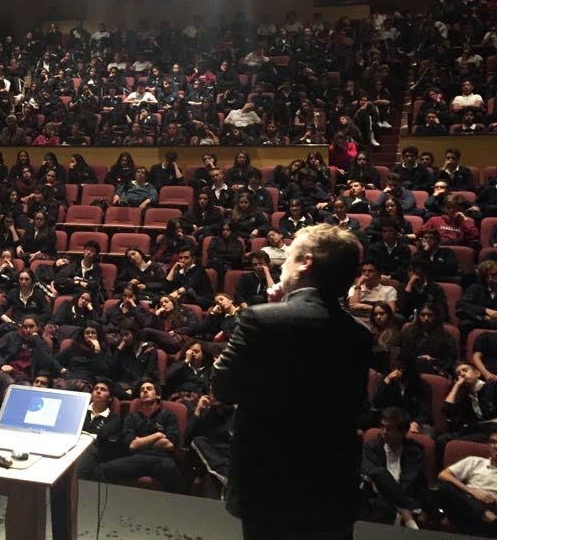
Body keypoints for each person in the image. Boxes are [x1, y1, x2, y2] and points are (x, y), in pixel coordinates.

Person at [213, 224, 370, 540]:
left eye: (289, 255)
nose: (281, 262)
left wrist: (278, 308)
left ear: (306, 263)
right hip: (331, 484)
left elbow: (224, 387)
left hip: (269, 482)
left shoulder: (262, 319)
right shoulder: (359, 334)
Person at [98, 379, 183, 492]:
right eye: (142, 390)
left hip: (162, 459)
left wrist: (140, 441)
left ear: (157, 396)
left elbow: (170, 445)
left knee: (173, 472)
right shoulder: (132, 417)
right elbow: (132, 445)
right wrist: (158, 435)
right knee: (102, 469)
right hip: (137, 459)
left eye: (149, 389)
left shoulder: (168, 415)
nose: (145, 391)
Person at [361, 407, 427, 529]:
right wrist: (405, 507)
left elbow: (407, 483)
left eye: (390, 429)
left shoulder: (414, 451)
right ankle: (405, 514)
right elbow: (374, 476)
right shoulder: (370, 448)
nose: (384, 432)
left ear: (403, 431)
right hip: (378, 499)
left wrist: (399, 502)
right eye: (382, 427)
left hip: (405, 494)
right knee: (380, 474)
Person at [437, 431, 497, 537]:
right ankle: (484, 514)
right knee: (445, 486)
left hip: (493, 505)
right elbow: (443, 475)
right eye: (493, 442)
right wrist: (473, 492)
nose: (496, 446)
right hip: (468, 500)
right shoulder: (475, 461)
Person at [76, 379, 127, 480]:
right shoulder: (79, 410)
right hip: (72, 445)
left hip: (93, 449)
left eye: (103, 389)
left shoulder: (113, 418)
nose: (98, 391)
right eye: (96, 389)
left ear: (110, 398)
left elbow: (102, 435)